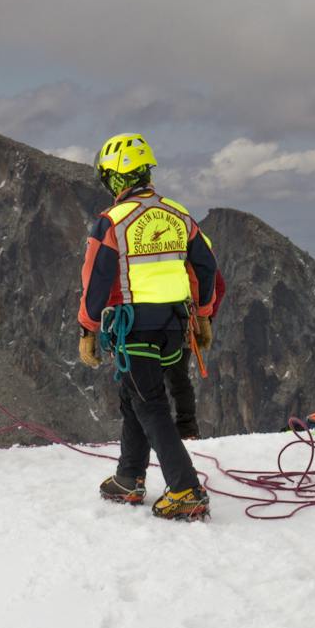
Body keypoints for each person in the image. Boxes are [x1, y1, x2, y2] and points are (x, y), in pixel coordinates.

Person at [79, 133, 221, 520]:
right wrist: (204, 315)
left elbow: (96, 279)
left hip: (135, 326)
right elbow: (206, 266)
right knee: (134, 397)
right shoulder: (179, 214)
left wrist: (88, 329)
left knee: (149, 403)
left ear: (116, 178)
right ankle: (129, 477)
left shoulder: (112, 222)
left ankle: (186, 489)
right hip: (175, 325)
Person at [164, 235, 224, 440]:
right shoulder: (194, 241)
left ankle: (159, 429)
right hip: (185, 321)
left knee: (154, 378)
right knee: (178, 376)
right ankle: (187, 429)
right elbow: (218, 284)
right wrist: (204, 318)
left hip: (164, 320)